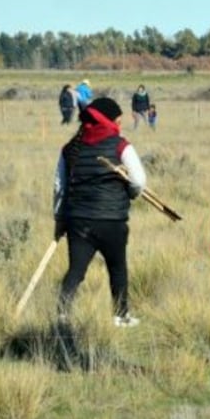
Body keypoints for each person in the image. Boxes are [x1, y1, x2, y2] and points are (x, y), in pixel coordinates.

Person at [54, 97, 147, 327]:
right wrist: (132, 192)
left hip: (78, 221)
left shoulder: (70, 148)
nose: (120, 124)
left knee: (76, 271)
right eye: (118, 120)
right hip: (112, 220)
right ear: (110, 120)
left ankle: (62, 315)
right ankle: (120, 315)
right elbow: (139, 180)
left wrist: (59, 218)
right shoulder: (120, 145)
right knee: (117, 268)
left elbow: (59, 187)